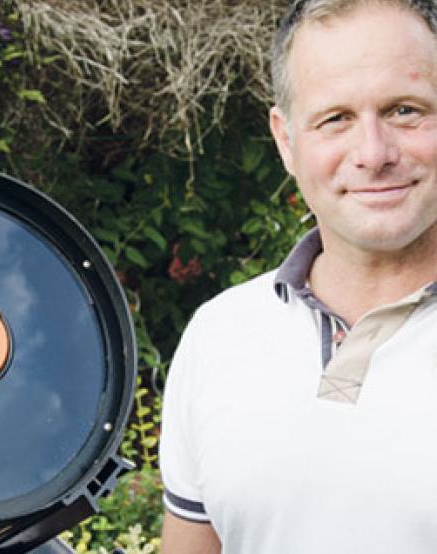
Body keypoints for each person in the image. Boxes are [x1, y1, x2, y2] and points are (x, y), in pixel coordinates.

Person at [159, 0, 437, 552]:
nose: (373, 153)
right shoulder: (218, 336)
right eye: (335, 118)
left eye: (405, 110)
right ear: (286, 141)